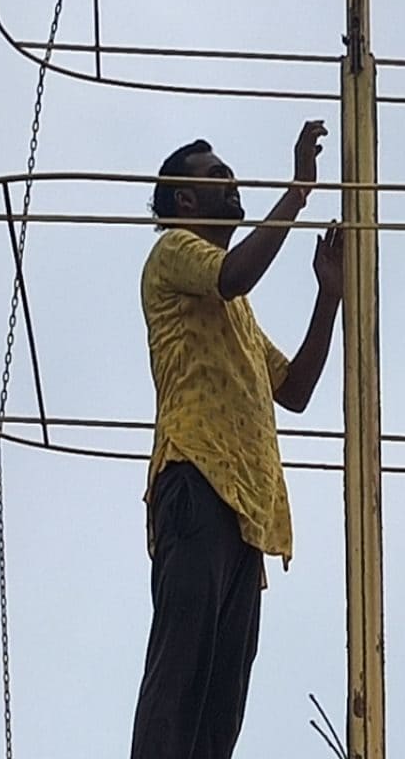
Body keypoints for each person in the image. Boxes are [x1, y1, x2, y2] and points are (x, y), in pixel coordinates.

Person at [130, 120, 342, 759]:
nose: (232, 182)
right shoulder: (174, 251)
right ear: (185, 202)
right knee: (180, 671)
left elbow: (296, 389)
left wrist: (327, 295)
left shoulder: (234, 311)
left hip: (246, 511)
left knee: (223, 696)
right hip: (196, 481)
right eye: (216, 176)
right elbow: (236, 273)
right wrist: (299, 190)